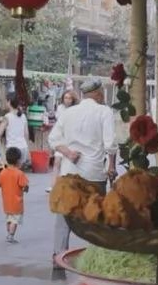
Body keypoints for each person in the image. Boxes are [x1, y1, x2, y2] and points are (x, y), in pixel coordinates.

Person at [48, 79, 117, 263]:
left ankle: (58, 255)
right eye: (101, 92)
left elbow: (53, 139)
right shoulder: (104, 111)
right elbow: (110, 144)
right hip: (94, 174)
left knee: (64, 216)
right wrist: (111, 166)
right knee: (95, 216)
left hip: (69, 173)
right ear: (98, 93)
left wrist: (69, 153)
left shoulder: (68, 113)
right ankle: (96, 257)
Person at [0, 147, 29, 244]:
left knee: (9, 218)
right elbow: (24, 185)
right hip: (16, 202)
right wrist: (26, 189)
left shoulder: (3, 172)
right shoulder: (19, 173)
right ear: (18, 160)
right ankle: (10, 236)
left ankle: (8, 233)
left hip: (6, 202)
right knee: (15, 220)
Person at [48, 90, 78, 192]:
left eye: (69, 98)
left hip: (71, 139)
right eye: (65, 98)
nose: (67, 100)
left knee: (69, 164)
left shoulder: (76, 110)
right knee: (57, 162)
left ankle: (66, 186)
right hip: (60, 138)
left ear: (73, 99)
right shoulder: (60, 108)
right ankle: (53, 185)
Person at [0, 97, 29, 168]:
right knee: (17, 173)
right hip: (23, 148)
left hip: (12, 150)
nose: (6, 103)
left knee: (12, 173)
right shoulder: (23, 116)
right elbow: (26, 134)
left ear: (9, 102)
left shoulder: (7, 117)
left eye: (6, 101)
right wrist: (27, 148)